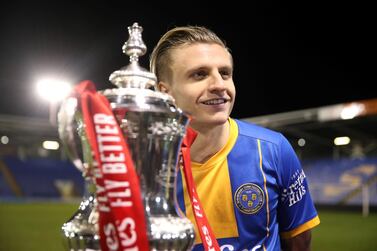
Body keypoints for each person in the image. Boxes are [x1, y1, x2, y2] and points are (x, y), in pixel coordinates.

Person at [149, 25, 320, 251]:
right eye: (199, 74)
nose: (219, 85)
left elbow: (299, 241)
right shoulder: (144, 166)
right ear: (165, 92)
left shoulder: (273, 149)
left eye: (225, 73)